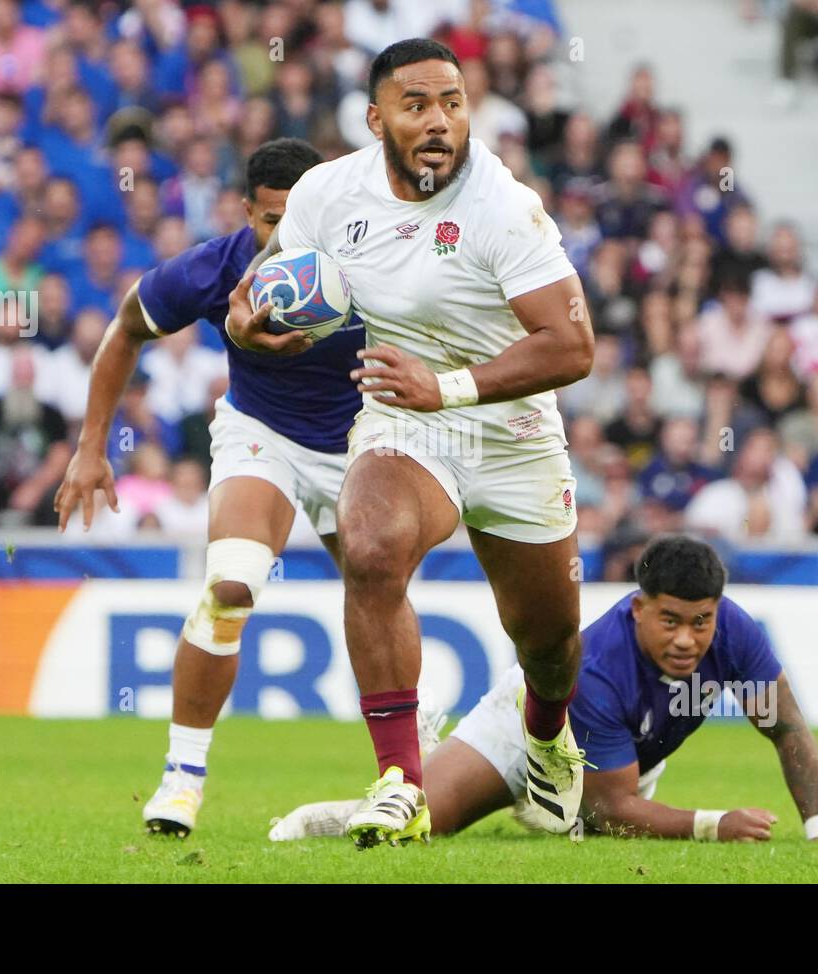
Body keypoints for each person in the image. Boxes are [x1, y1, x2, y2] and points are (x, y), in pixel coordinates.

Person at [226, 39, 595, 847]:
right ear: (375, 118)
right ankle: (401, 780)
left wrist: (451, 385)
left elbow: (572, 347)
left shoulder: (502, 204)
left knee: (549, 641)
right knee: (370, 545)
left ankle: (546, 738)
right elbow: (259, 293)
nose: (439, 122)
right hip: (405, 415)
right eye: (417, 105)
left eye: (453, 104)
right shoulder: (327, 193)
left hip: (511, 427)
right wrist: (248, 327)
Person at [53, 138, 364, 839]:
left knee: (379, 597)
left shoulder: (369, 267)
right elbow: (127, 327)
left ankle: (406, 770)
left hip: (362, 444)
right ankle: (182, 777)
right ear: (244, 211)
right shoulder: (214, 268)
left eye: (299, 219)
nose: (284, 239)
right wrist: (91, 448)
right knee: (231, 587)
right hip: (264, 436)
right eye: (268, 221)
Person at [270, 535, 818, 847]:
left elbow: (787, 727)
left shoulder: (737, 635)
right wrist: (713, 824)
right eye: (670, 620)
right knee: (421, 825)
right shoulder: (596, 665)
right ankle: (329, 818)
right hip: (527, 724)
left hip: (614, 756)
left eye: (701, 622)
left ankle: (554, 810)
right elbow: (612, 807)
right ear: (638, 607)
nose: (687, 640)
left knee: (584, 827)